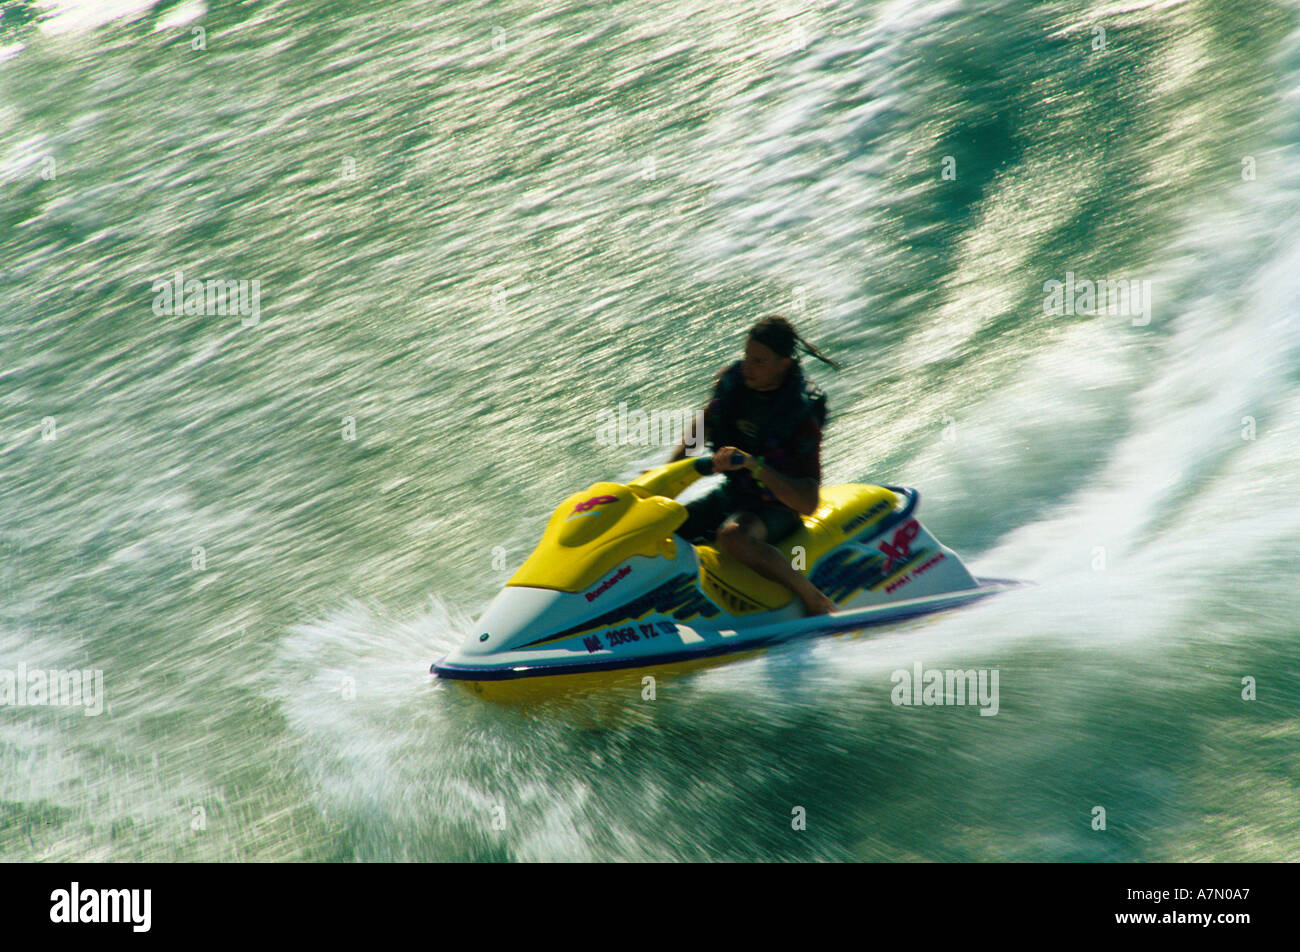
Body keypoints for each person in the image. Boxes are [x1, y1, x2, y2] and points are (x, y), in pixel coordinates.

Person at [668, 315, 840, 616]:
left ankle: (813, 598)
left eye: (759, 361)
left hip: (776, 508)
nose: (748, 366)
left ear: (783, 364)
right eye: (747, 356)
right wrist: (664, 475)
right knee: (662, 524)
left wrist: (752, 464)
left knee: (732, 536)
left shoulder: (800, 415)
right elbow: (705, 425)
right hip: (734, 496)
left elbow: (808, 502)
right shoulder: (735, 384)